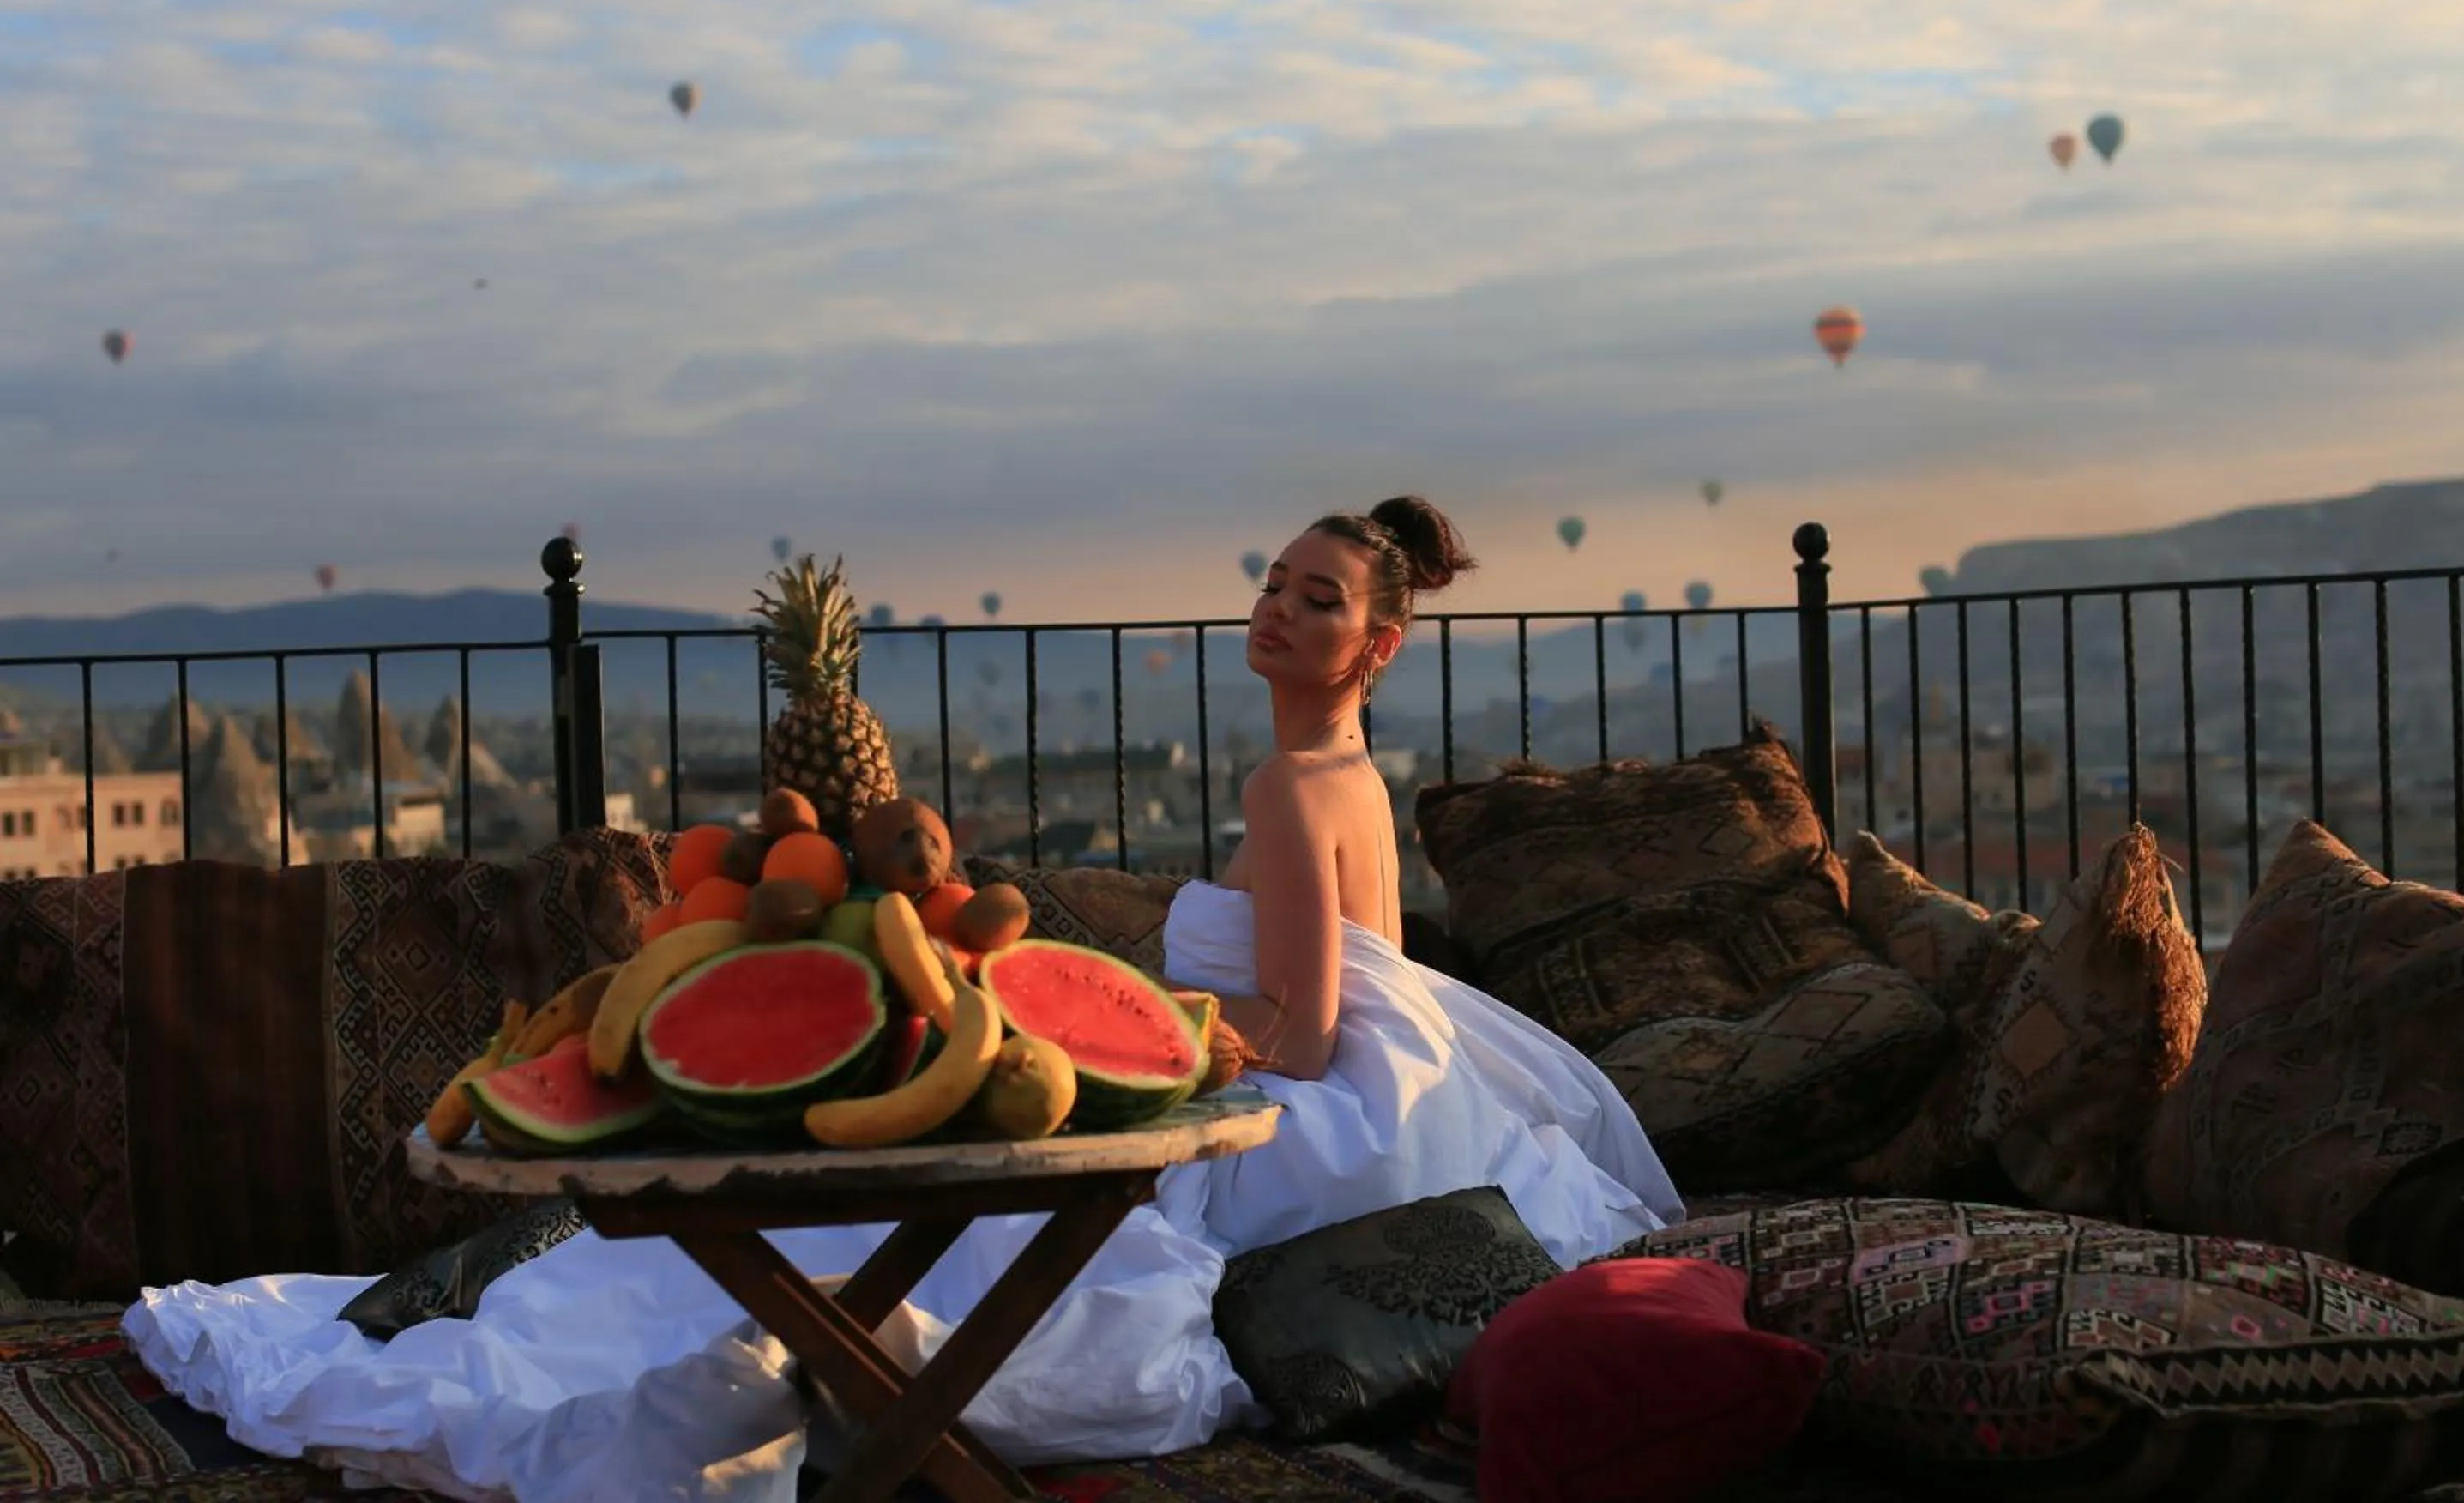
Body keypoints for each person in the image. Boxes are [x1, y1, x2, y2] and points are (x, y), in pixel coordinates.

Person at [124, 496, 1684, 1503]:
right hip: (1395, 1113)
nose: (1279, 611)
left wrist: (1173, 1040)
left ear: (1381, 643)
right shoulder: (1352, 775)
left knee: (909, 1229)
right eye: (1276, 584)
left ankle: (796, 1347)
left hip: (1298, 1115)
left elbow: (1314, 1029)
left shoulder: (1291, 786)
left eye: (1321, 600)